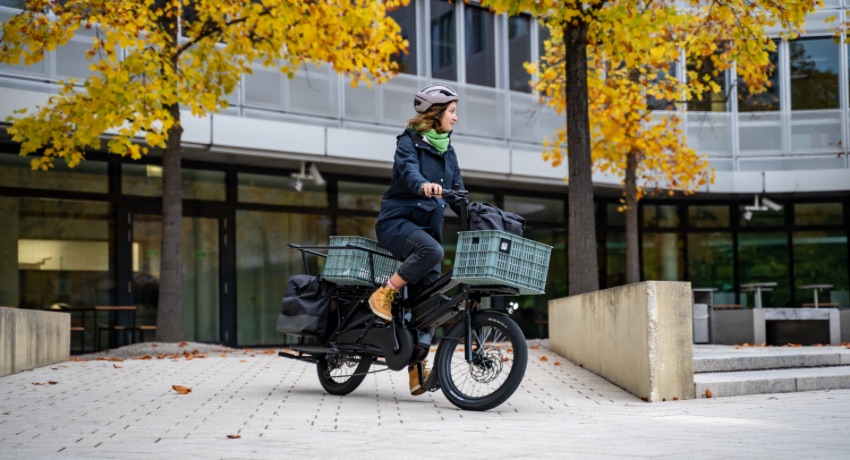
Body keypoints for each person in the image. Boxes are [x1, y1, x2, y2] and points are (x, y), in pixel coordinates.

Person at [369, 84, 465, 395]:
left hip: (426, 235)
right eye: (452, 111)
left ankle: (416, 367)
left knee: (431, 305)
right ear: (436, 115)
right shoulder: (408, 142)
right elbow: (408, 171)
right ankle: (383, 294)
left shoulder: (448, 152)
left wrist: (486, 219)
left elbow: (461, 197)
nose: (456, 117)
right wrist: (423, 185)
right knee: (432, 251)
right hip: (397, 224)